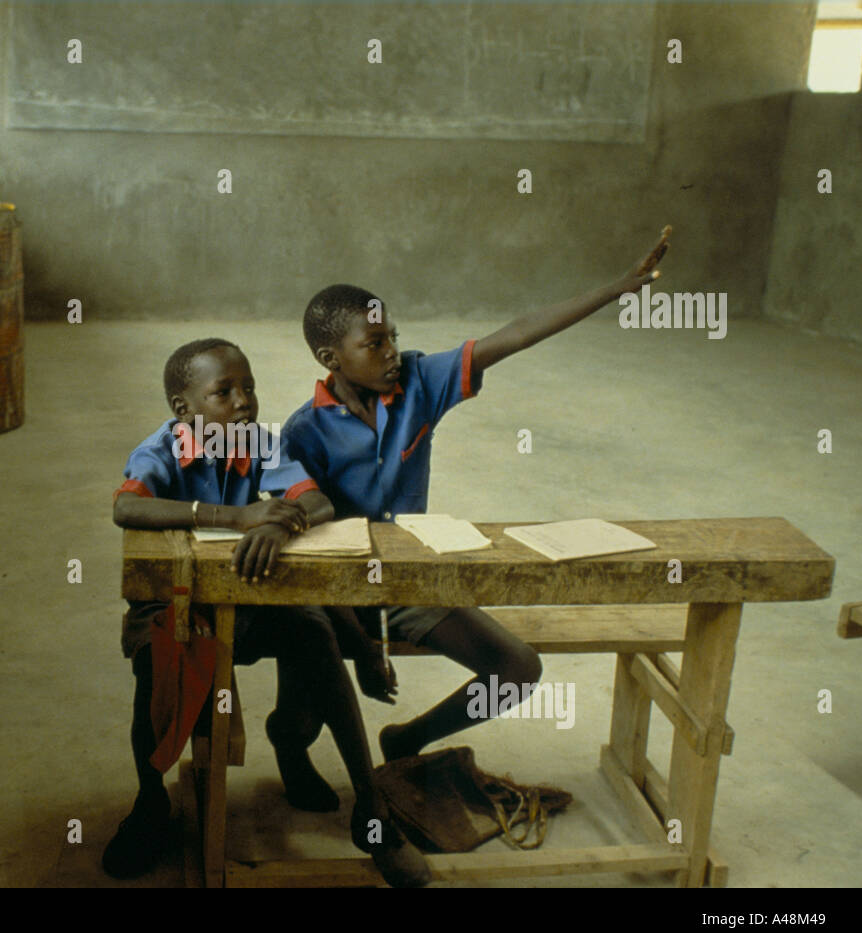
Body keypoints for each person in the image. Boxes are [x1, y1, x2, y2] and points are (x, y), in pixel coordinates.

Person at [281, 229, 673, 761]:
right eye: (374, 345)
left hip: (405, 582)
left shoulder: (418, 382)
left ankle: (407, 739)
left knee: (517, 670)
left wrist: (615, 290)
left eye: (392, 336)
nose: (391, 352)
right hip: (332, 594)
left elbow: (515, 335)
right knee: (300, 721)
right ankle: (292, 752)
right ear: (332, 358)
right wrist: (364, 647)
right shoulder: (304, 433)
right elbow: (311, 547)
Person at [105, 337, 430, 886]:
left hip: (249, 602)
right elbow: (127, 506)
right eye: (223, 392)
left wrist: (280, 522)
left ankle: (371, 810)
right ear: (184, 410)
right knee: (155, 658)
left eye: (249, 387)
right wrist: (233, 518)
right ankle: (149, 800)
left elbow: (318, 501)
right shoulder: (160, 449)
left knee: (314, 629)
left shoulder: (262, 443)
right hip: (180, 603)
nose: (243, 402)